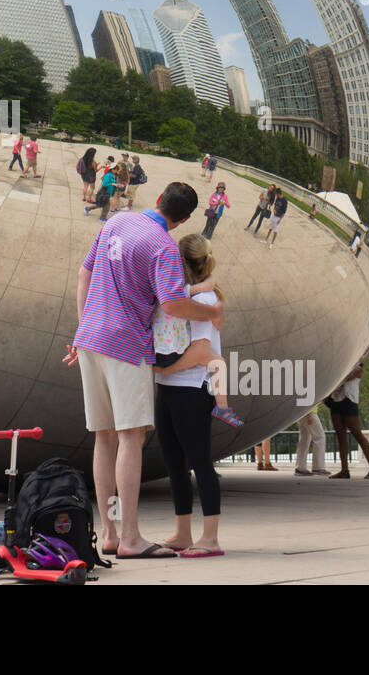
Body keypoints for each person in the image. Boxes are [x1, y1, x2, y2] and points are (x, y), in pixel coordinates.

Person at [62, 182, 224, 560]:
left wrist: (84, 325)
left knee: (103, 438)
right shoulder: (163, 246)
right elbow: (172, 305)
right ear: (184, 219)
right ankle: (132, 537)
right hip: (125, 344)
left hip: (89, 339)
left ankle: (110, 532)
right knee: (130, 437)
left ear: (157, 200)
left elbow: (84, 275)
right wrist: (211, 311)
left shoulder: (116, 222)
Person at [151, 233, 228, 556]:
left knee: (200, 462)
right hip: (169, 390)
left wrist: (166, 370)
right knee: (174, 463)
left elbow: (201, 352)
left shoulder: (206, 303)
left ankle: (210, 538)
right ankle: (183, 532)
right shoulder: (181, 296)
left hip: (193, 388)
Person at [326, 362, 369, 478]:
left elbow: (344, 378)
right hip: (336, 400)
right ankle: (344, 470)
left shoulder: (357, 369)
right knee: (341, 437)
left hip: (349, 401)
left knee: (357, 434)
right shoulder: (339, 367)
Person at [295, 409, 329, 476]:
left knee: (304, 440)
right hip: (309, 412)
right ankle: (318, 467)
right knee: (320, 437)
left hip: (301, 413)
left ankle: (300, 468)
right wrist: (309, 414)